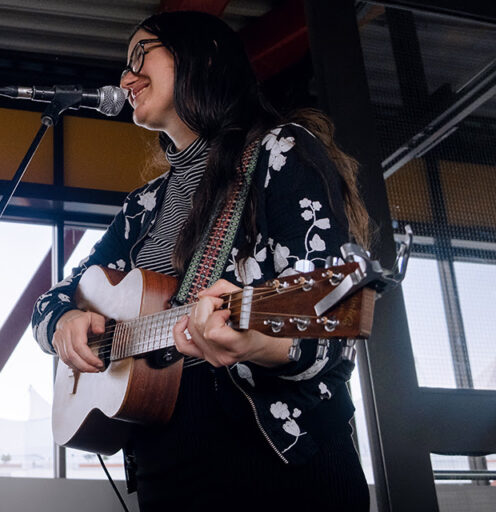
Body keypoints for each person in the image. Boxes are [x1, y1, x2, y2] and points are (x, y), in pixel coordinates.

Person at [31, 11, 375, 511]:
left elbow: (338, 320)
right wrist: (65, 320)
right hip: (163, 470)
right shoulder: (143, 205)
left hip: (273, 466)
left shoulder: (282, 153)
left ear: (205, 57)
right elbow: (55, 296)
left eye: (140, 55)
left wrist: (257, 339)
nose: (125, 78)